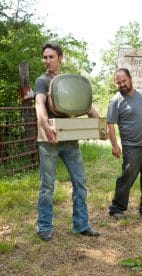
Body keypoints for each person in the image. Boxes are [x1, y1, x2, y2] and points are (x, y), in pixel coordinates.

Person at [34, 42, 100, 241]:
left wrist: (100, 125)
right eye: (45, 57)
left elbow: (87, 107)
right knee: (47, 185)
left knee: (80, 182)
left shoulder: (68, 81)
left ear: (60, 58)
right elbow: (39, 105)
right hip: (49, 140)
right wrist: (45, 125)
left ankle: (81, 225)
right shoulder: (41, 81)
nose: (47, 61)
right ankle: (44, 227)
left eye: (51, 57)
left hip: (69, 139)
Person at [107, 68, 142, 221]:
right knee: (127, 178)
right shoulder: (116, 100)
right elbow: (110, 124)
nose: (122, 84)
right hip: (132, 148)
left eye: (124, 81)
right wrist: (114, 145)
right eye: (118, 82)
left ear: (130, 79)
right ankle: (116, 208)